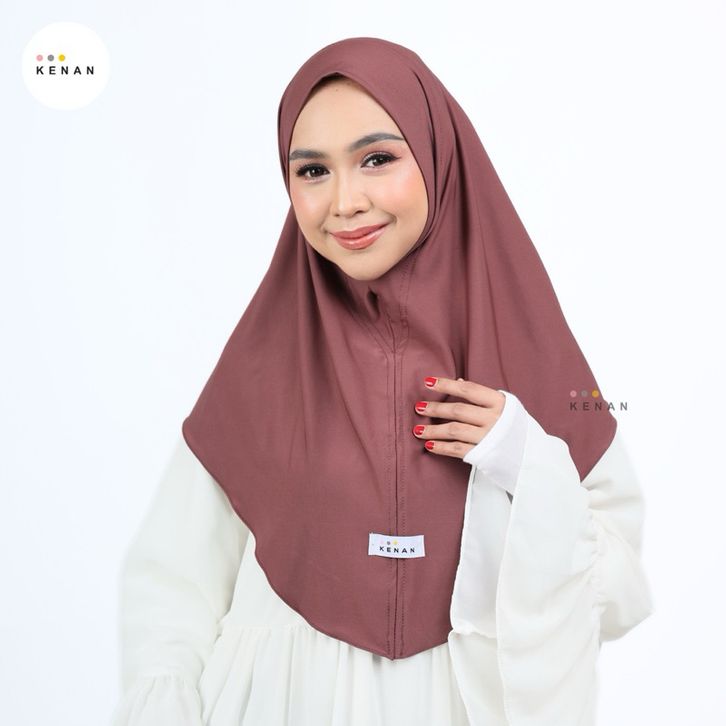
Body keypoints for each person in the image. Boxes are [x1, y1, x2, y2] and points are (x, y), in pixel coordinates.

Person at [111, 37, 653, 726]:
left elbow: (619, 593)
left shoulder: (536, 354)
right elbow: (172, 589)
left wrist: (526, 459)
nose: (344, 201)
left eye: (376, 159)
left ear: (437, 155)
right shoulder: (261, 364)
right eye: (312, 171)